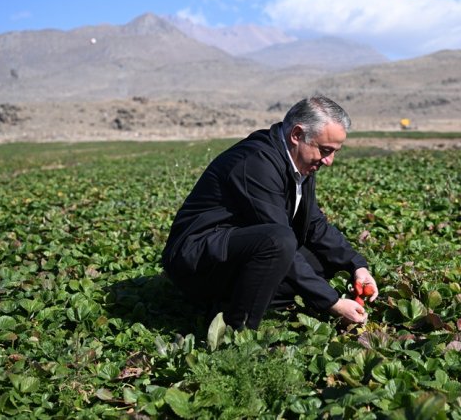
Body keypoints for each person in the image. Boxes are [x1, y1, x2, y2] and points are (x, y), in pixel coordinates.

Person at [162, 95, 378, 330]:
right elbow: (278, 238)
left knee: (322, 262)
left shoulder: (299, 162)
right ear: (296, 135)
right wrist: (332, 302)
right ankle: (237, 329)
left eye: (335, 151)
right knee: (280, 241)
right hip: (197, 260)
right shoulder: (256, 163)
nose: (329, 161)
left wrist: (357, 265)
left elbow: (315, 224)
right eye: (325, 150)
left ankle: (230, 301)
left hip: (234, 250)